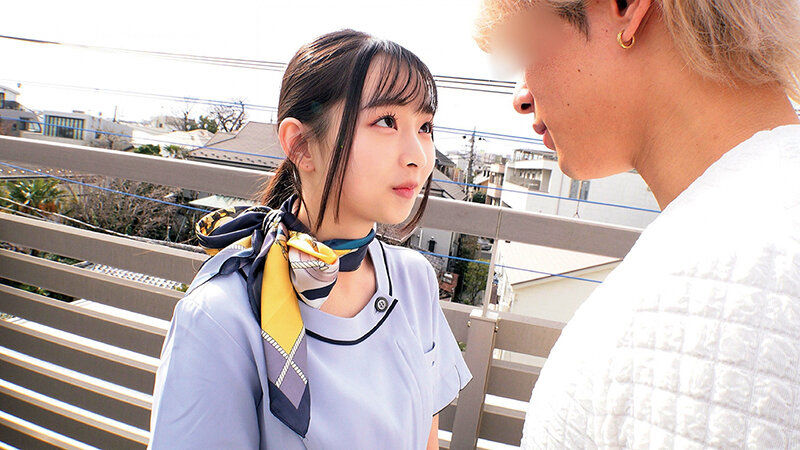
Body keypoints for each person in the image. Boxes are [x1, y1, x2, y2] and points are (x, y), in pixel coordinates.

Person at [475, 0, 800, 448]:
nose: (521, 96)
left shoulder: (735, 273)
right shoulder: (746, 224)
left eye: (526, 46)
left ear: (627, 7)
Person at [149, 29, 471, 449]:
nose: (419, 156)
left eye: (425, 126)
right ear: (300, 145)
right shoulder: (220, 317)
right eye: (386, 121)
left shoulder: (415, 281)